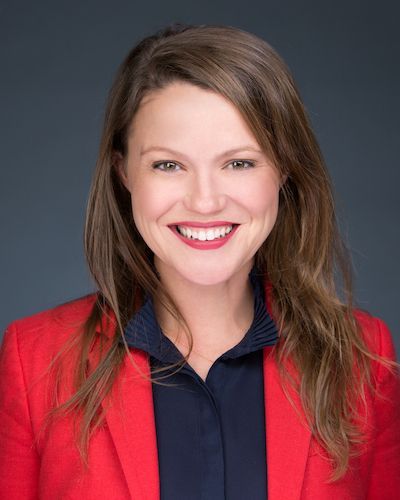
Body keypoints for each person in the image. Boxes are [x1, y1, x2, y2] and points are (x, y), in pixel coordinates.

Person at [0, 22, 399, 500]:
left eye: (239, 163)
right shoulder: (35, 361)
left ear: (285, 168)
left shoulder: (360, 359)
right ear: (124, 171)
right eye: (168, 164)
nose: (205, 202)